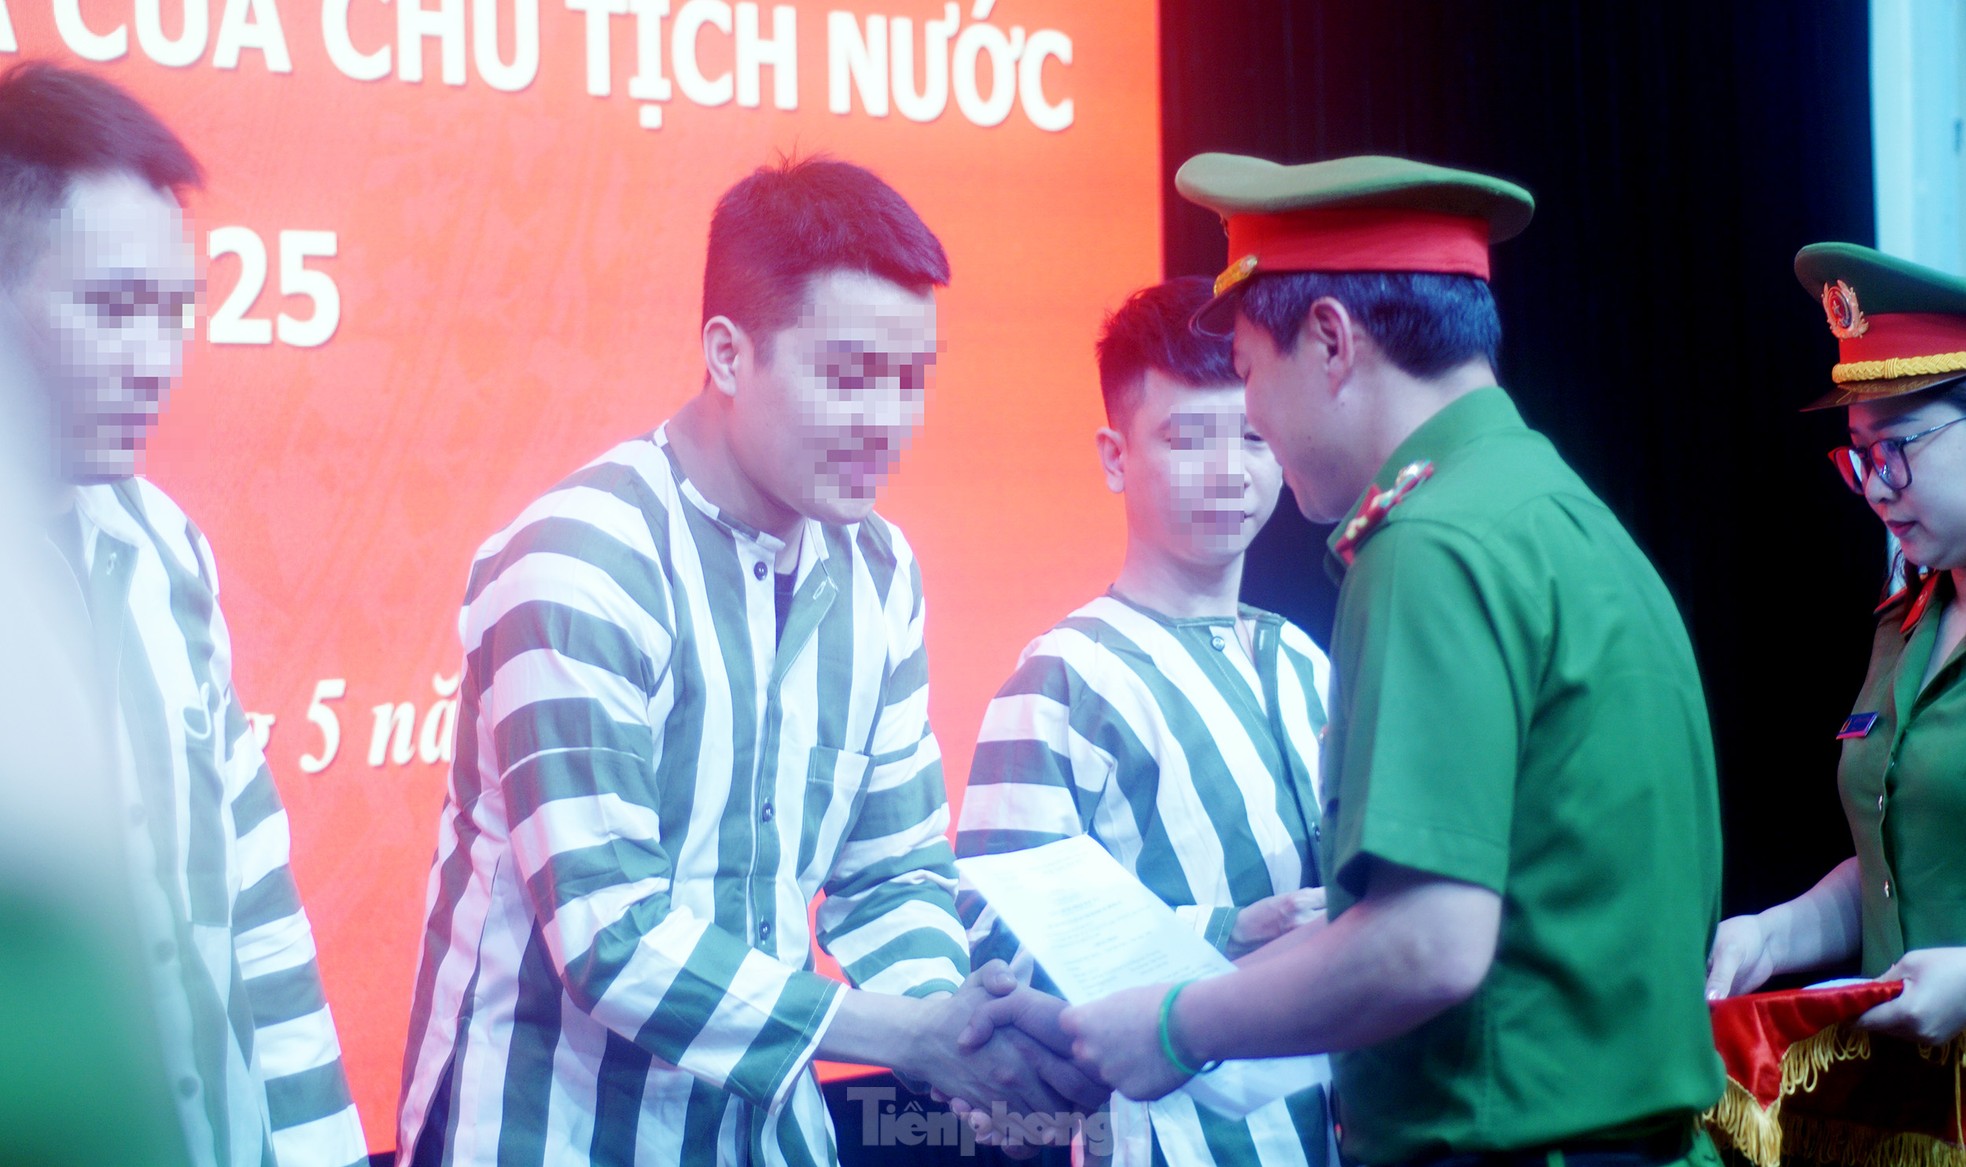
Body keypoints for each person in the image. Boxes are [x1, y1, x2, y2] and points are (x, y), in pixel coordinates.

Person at [396, 156, 1101, 1167]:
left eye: (912, 378)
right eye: (849, 376)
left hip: (762, 1131)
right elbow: (611, 936)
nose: (887, 421)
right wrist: (914, 1038)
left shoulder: (879, 569)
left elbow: (892, 870)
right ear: (727, 355)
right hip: (542, 1130)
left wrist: (958, 1027)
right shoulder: (582, 560)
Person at [1046, 153, 1726, 1167]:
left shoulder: (1425, 544)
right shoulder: (1561, 514)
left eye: (1247, 377)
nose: (1253, 427)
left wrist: (1177, 1026)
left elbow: (1427, 943)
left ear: (1329, 340)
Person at [0, 61, 369, 1167]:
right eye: (114, 310)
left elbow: (255, 909)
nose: (157, 362)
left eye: (176, 312)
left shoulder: (165, 549)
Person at [954, 275, 1334, 1167]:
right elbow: (998, 942)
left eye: (1251, 435)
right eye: (1186, 438)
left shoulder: (1304, 659)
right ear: (1116, 457)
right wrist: (1229, 929)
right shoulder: (1063, 677)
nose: (1229, 470)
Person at [1705, 243, 1966, 1047]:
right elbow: (1904, 864)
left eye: (1898, 448)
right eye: (1859, 455)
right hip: (1910, 1099)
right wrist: (1774, 934)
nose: (1877, 486)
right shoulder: (1907, 620)